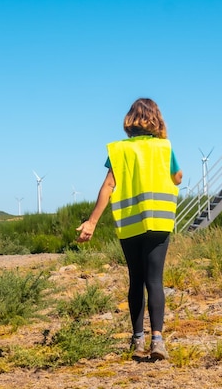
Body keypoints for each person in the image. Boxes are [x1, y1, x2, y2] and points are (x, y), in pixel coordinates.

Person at [76, 98, 183, 361]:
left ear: (130, 120)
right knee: (155, 280)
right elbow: (177, 177)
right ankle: (158, 339)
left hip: (130, 223)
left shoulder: (119, 151)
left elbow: (108, 186)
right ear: (156, 118)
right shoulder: (164, 148)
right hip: (158, 222)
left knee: (136, 280)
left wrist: (91, 222)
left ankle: (137, 340)